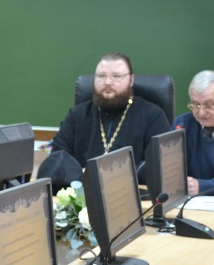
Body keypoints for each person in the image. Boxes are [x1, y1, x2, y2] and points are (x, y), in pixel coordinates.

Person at [39, 52, 171, 189]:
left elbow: (161, 164)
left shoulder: (153, 116)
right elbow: (58, 159)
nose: (108, 82)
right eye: (101, 76)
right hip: (83, 194)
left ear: (131, 80)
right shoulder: (77, 115)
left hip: (132, 194)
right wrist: (84, 178)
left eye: (116, 76)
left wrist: (113, 178)